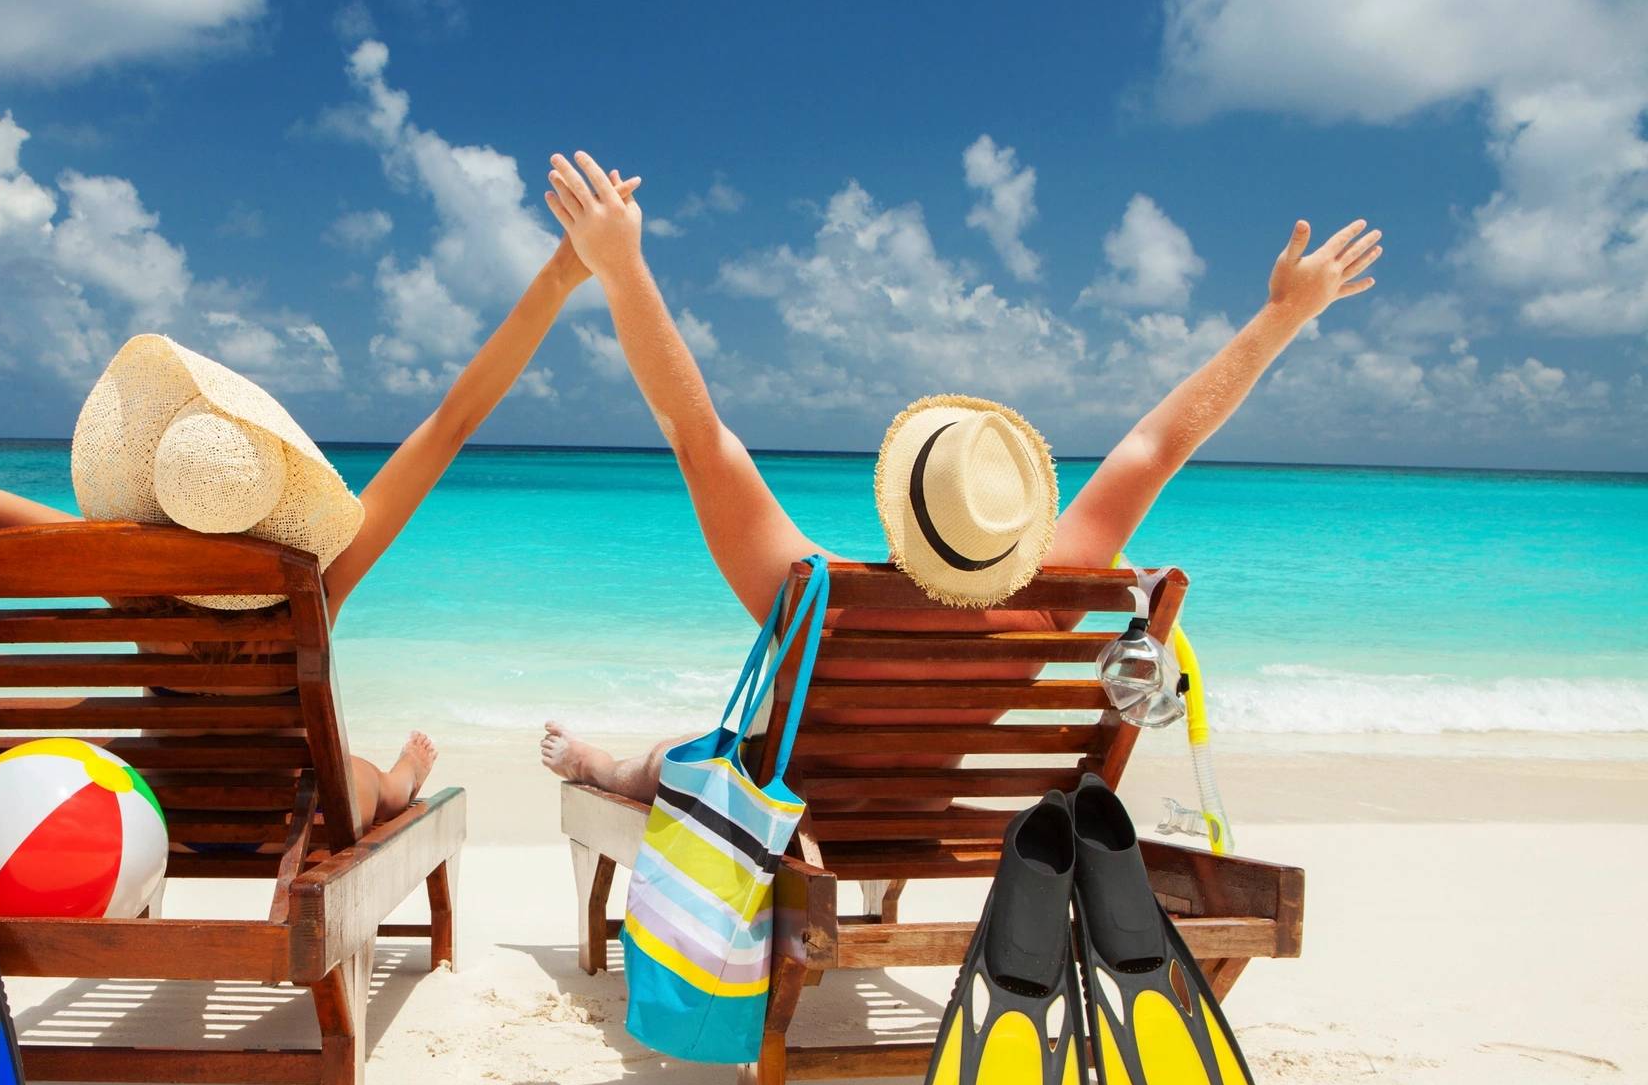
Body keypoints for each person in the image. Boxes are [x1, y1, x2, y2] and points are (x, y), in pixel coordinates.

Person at [0, 170, 641, 827]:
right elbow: (450, 425)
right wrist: (558, 277)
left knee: (338, 768)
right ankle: (399, 783)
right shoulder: (314, 574)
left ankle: (381, 777)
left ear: (157, 482)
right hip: (289, 805)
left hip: (162, 801)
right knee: (362, 778)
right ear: (277, 497)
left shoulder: (109, 557)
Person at [530, 149, 1381, 799]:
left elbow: (696, 437)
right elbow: (1154, 450)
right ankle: (627, 766)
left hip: (796, 806)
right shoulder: (1050, 600)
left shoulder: (811, 600)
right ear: (1016, 525)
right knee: (722, 748)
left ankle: (604, 767)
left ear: (903, 505)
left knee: (673, 761)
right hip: (919, 802)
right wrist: (1282, 317)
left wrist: (621, 265)